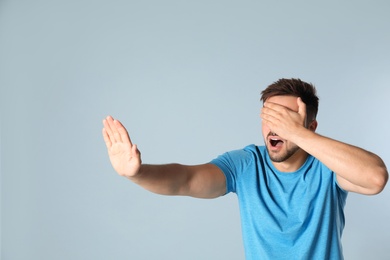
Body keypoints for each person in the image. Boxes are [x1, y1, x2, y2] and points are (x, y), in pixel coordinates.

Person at [102, 78, 388, 259]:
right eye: (269, 117)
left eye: (285, 118)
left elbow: (376, 178)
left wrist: (299, 134)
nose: (275, 127)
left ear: (310, 127)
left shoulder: (328, 165)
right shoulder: (246, 164)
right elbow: (185, 180)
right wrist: (137, 174)